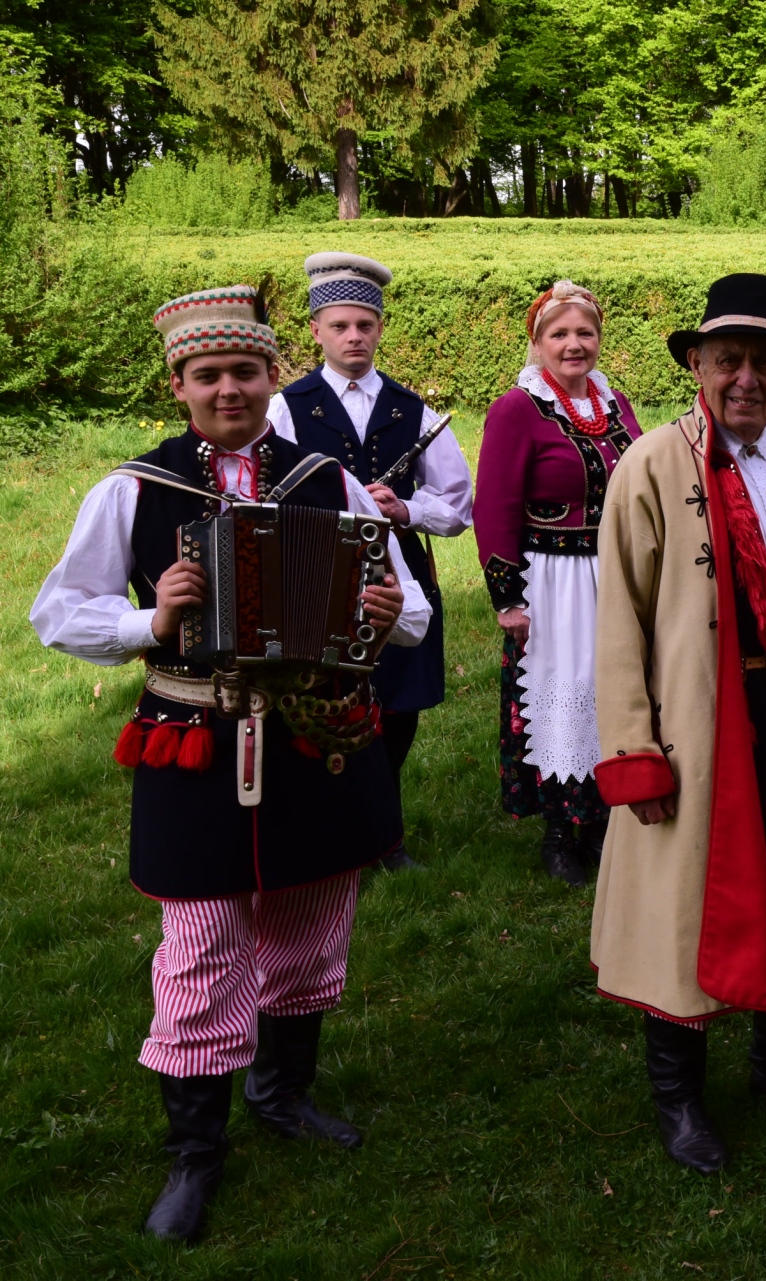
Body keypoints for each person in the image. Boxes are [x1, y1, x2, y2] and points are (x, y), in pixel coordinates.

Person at [30, 286, 430, 1241]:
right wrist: (151, 618)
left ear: (269, 376)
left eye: (244, 372)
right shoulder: (135, 489)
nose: (228, 390)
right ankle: (195, 1152)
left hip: (313, 743)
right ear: (177, 385)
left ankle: (282, 1093)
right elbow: (59, 613)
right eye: (206, 375)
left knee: (309, 927)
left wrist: (384, 613)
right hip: (198, 741)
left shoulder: (325, 479)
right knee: (204, 940)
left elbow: (410, 606)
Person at [592, 274, 766, 1175]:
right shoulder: (651, 466)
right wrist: (633, 750)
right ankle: (679, 1096)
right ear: (698, 366)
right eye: (728, 360)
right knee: (683, 909)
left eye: (763, 361)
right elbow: (619, 620)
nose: (746, 378)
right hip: (701, 724)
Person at [267, 252, 473, 871]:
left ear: (380, 328)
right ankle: (331, 832)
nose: (353, 336)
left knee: (399, 706)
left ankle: (384, 836)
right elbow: (265, 497)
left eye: (364, 325)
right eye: (339, 326)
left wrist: (405, 509)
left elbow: (458, 505)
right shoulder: (285, 408)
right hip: (317, 571)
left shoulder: (415, 410)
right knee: (322, 702)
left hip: (397, 574)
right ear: (316, 331)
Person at [474, 281, 636, 887]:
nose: (574, 345)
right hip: (551, 579)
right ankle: (560, 829)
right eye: (559, 334)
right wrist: (508, 599)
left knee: (611, 688)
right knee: (561, 693)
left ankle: (603, 816)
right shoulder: (517, 408)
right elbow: (493, 506)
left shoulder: (614, 403)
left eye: (585, 333)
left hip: (613, 572)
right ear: (538, 342)